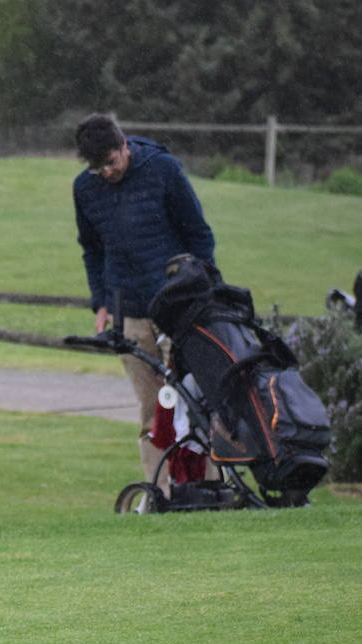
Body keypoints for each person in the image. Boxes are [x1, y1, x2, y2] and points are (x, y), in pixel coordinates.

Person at [73, 113, 216, 488]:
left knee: (193, 400)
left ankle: (212, 489)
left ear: (123, 146)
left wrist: (202, 289)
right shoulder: (84, 189)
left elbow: (199, 234)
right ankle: (160, 493)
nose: (105, 171)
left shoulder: (163, 169)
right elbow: (92, 249)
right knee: (152, 410)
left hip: (178, 306)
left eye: (111, 161)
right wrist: (101, 301)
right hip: (128, 311)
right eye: (96, 166)